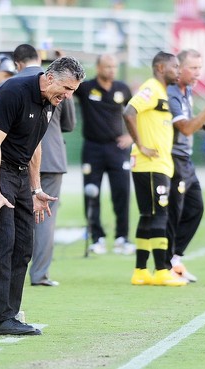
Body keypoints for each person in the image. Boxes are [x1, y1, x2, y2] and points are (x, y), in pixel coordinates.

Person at [0, 56, 85, 336]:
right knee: (4, 240)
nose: (69, 96)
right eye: (67, 89)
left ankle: (10, 314)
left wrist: (35, 190)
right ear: (49, 78)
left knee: (24, 244)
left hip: (21, 175)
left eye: (73, 91)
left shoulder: (50, 103)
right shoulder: (13, 92)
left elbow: (35, 148)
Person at [13, 44, 76, 287]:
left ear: (18, 63)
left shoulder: (13, 82)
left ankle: (9, 271)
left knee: (15, 215)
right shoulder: (62, 83)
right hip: (52, 159)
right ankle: (39, 274)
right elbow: (70, 124)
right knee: (46, 219)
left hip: (19, 157)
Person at [123, 51, 186, 287]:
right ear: (160, 67)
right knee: (160, 214)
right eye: (175, 66)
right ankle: (161, 270)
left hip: (157, 165)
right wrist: (141, 145)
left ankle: (140, 270)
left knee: (148, 215)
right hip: (150, 165)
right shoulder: (151, 88)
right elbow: (129, 112)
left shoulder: (163, 93)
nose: (178, 71)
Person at [166, 49, 205, 281]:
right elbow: (185, 128)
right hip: (173, 160)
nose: (197, 73)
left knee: (195, 208)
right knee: (174, 214)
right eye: (192, 68)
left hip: (186, 160)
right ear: (179, 68)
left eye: (200, 68)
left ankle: (174, 259)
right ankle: (166, 264)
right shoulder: (171, 92)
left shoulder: (187, 90)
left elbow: (191, 123)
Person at [75, 54, 135, 255]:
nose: (111, 70)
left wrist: (131, 137)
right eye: (107, 66)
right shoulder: (86, 88)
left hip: (117, 149)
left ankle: (122, 238)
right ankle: (97, 237)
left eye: (114, 66)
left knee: (122, 192)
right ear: (98, 67)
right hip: (93, 148)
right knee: (92, 192)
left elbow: (135, 113)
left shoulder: (122, 88)